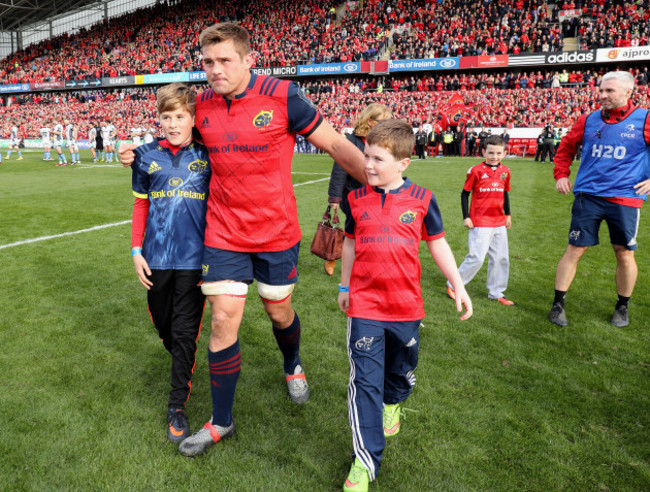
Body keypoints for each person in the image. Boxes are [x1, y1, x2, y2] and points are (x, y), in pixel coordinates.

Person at [120, 22, 365, 458]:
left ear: (249, 60)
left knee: (278, 310)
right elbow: (170, 137)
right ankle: (221, 421)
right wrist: (134, 153)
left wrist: (385, 187)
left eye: (224, 60)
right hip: (223, 235)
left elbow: (336, 146)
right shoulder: (204, 104)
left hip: (275, 234)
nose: (215, 70)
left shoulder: (283, 96)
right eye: (207, 62)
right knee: (221, 321)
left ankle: (292, 364)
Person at [337, 119, 472, 492]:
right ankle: (364, 461)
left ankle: (394, 401)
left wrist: (457, 285)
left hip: (406, 306)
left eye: (378, 159)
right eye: (366, 156)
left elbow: (438, 243)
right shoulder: (355, 199)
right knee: (364, 382)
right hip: (364, 305)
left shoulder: (423, 200)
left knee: (400, 369)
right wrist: (345, 284)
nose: (367, 165)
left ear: (403, 163)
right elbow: (349, 242)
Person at [130, 83, 211, 443]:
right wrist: (136, 251)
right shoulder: (144, 155)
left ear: (193, 118)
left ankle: (176, 405)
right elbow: (141, 205)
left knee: (183, 332)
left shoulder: (210, 155)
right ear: (158, 119)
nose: (173, 123)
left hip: (195, 260)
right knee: (165, 325)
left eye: (180, 116)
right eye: (167, 117)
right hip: (156, 257)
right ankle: (181, 354)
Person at [549, 71, 650, 328]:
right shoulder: (588, 120)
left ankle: (622, 306)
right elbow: (565, 148)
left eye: (609, 91)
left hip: (626, 198)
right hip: (588, 196)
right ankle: (558, 303)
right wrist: (561, 174)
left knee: (624, 253)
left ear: (628, 92)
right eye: (601, 90)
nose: (602, 95)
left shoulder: (644, 119)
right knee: (574, 249)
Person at [446, 135, 514, 306]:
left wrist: (508, 214)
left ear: (504, 153)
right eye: (491, 152)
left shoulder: (505, 171)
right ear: (484, 152)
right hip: (480, 221)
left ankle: (496, 292)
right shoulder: (475, 170)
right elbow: (464, 194)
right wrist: (466, 216)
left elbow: (505, 194)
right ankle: (454, 284)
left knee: (501, 258)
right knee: (476, 257)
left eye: (498, 153)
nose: (494, 156)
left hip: (498, 221)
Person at [326, 103, 392, 276]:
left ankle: (361, 259)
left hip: (376, 193)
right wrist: (334, 197)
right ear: (370, 122)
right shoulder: (352, 140)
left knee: (366, 229)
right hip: (352, 194)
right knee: (358, 227)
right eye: (382, 122)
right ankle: (334, 255)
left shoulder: (384, 141)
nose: (386, 125)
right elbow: (339, 169)